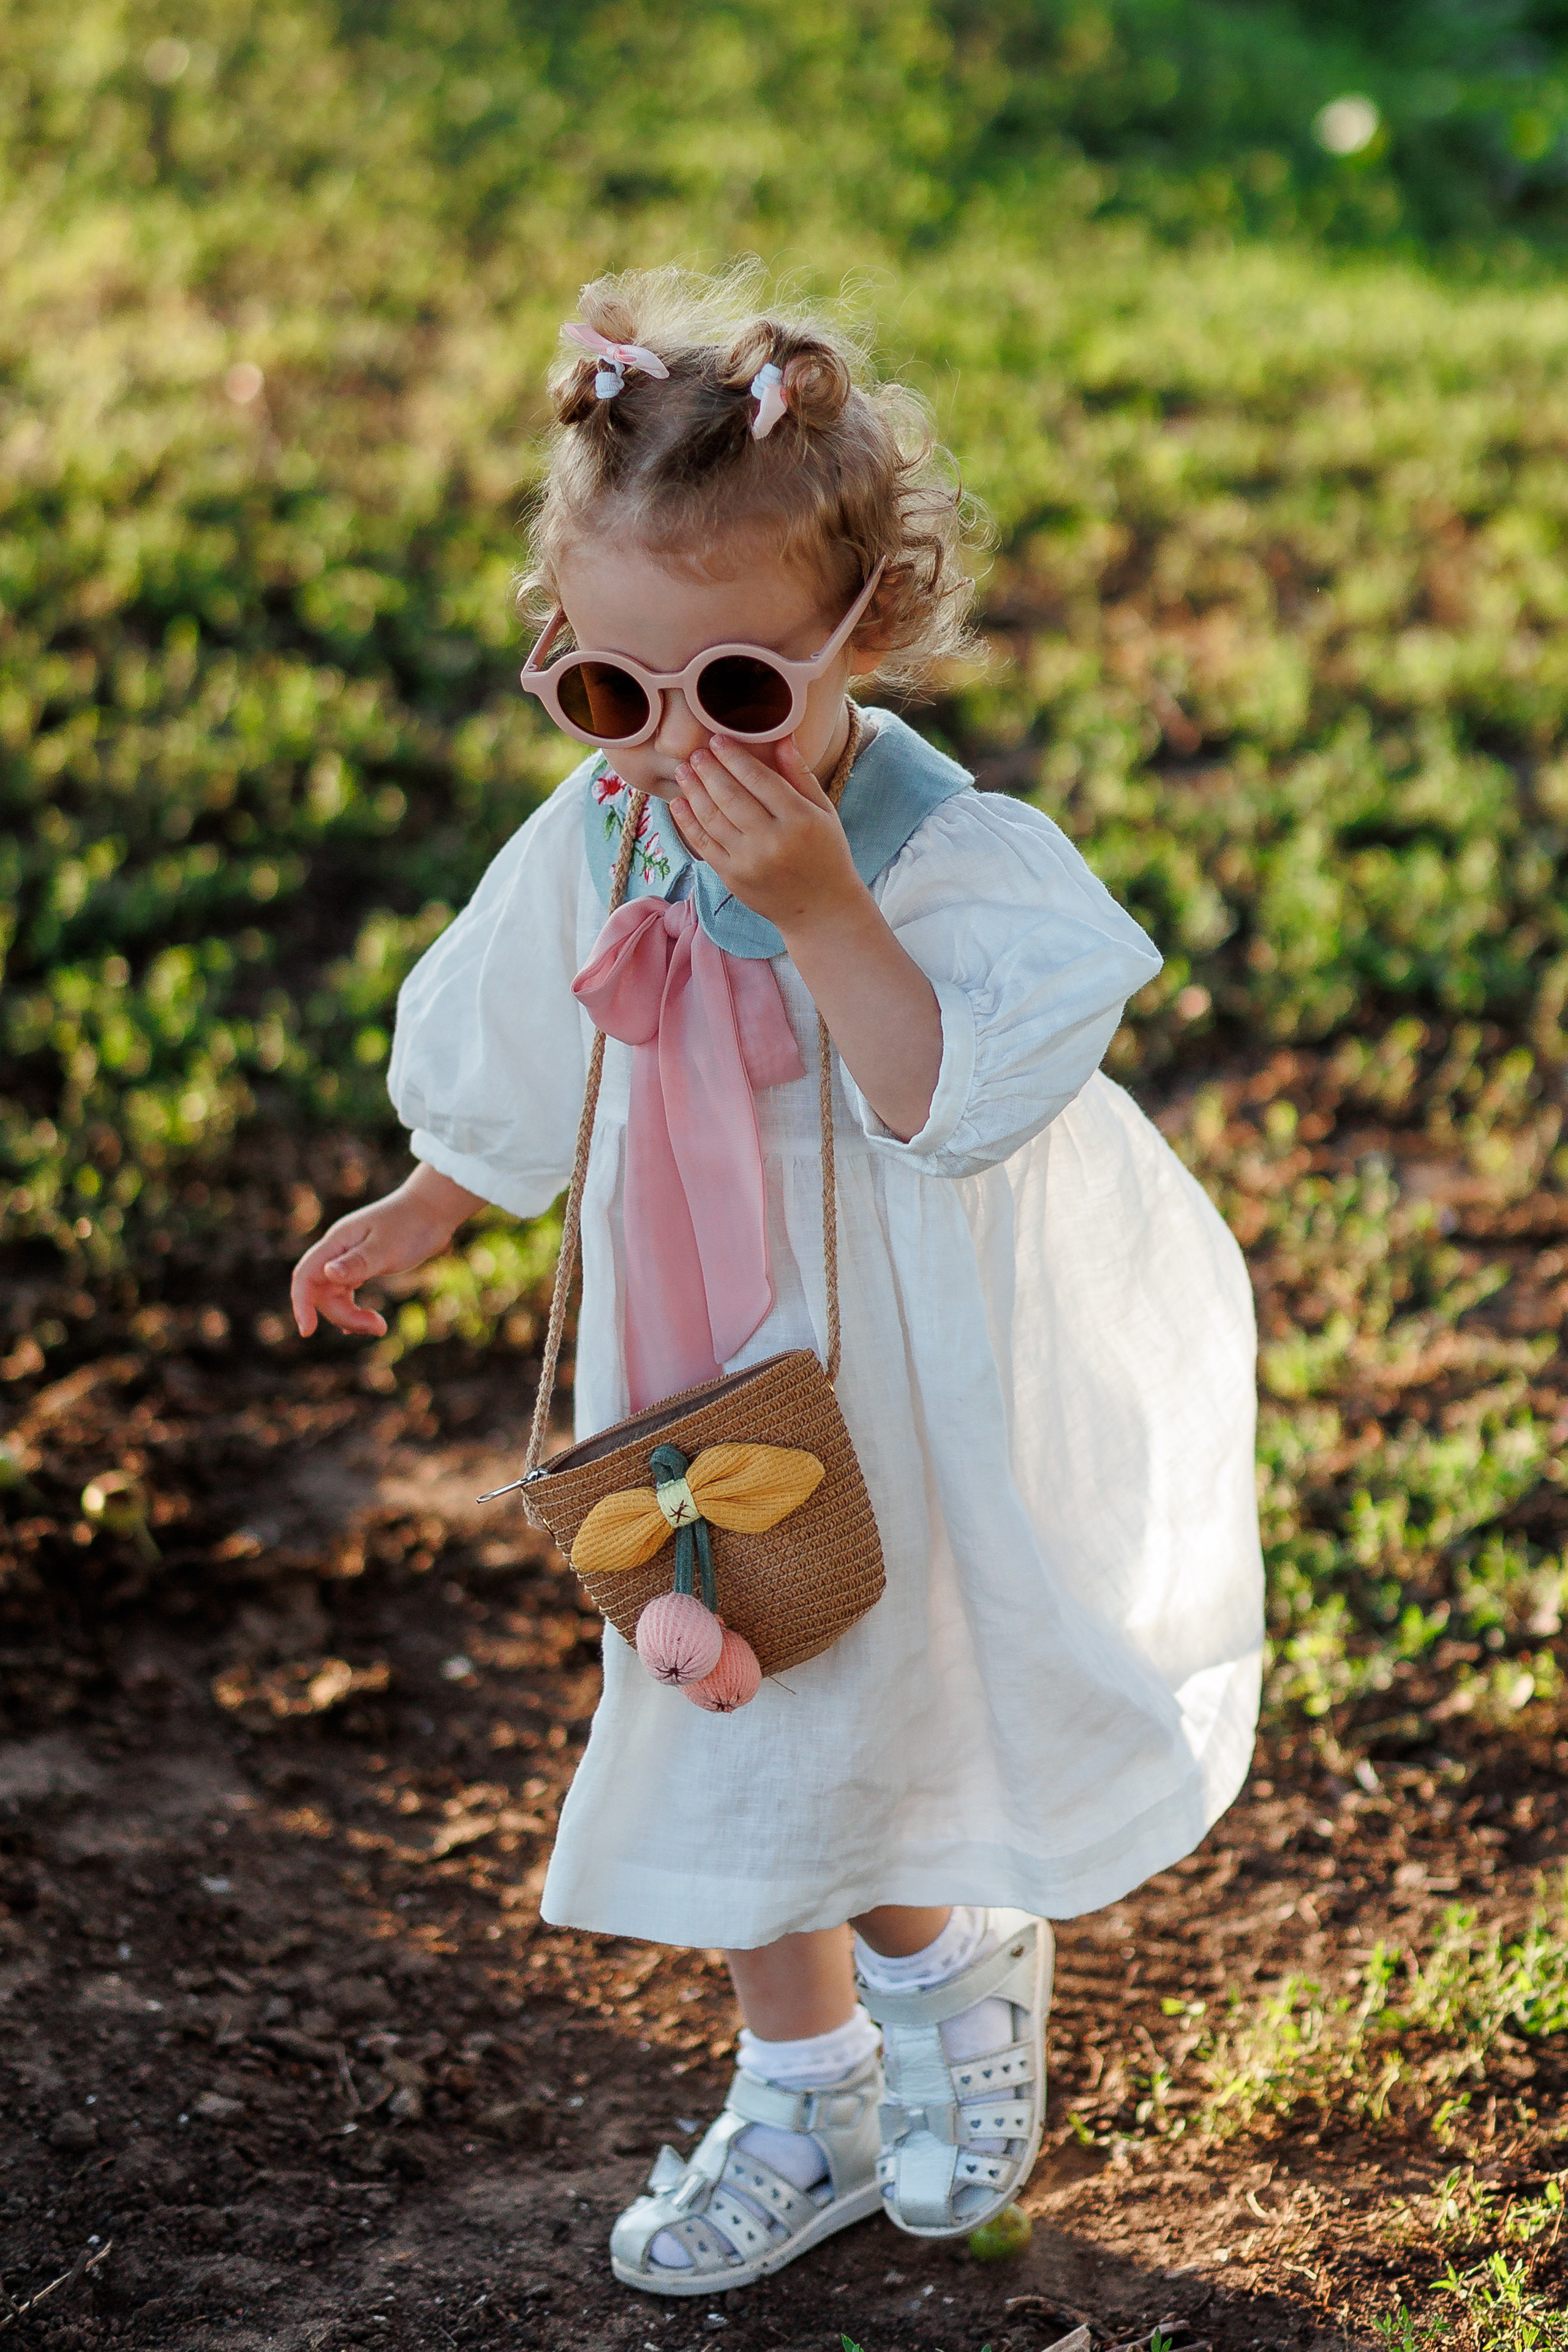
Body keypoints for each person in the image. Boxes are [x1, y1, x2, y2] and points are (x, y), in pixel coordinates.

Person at [291, 266, 1264, 2296]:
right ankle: (800, 2086)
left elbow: (939, 1102)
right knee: (721, 1701)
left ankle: (951, 1984)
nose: (669, 746)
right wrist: (432, 1202)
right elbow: (524, 1029)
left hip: (892, 1361)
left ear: (866, 630)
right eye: (609, 694)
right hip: (686, 1360)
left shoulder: (935, 853)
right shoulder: (605, 827)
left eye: (737, 693)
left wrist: (819, 907)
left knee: (878, 1687)